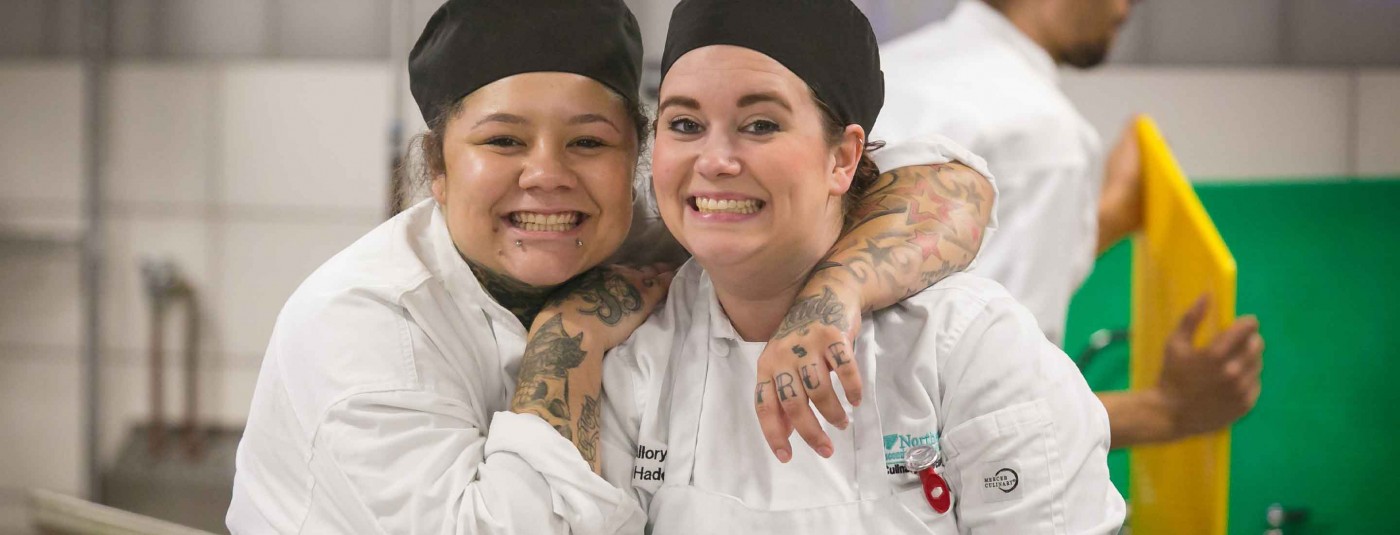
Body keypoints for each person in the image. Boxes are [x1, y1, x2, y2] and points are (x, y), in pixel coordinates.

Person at [227, 0, 996, 532]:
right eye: (502, 142)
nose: (547, 174)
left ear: (638, 156)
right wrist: (575, 336)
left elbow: (945, 186)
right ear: (437, 169)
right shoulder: (369, 328)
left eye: (589, 142)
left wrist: (833, 291)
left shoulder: (659, 231)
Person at [520, 0, 1123, 531]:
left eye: (761, 124)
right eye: (685, 124)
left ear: (843, 157)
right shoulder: (634, 365)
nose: (716, 159)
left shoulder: (969, 346)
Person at [872, 0, 1265, 447]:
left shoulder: (886, 68)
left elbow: (918, 274)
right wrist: (1168, 410)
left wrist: (1113, 215)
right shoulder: (1040, 133)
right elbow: (996, 410)